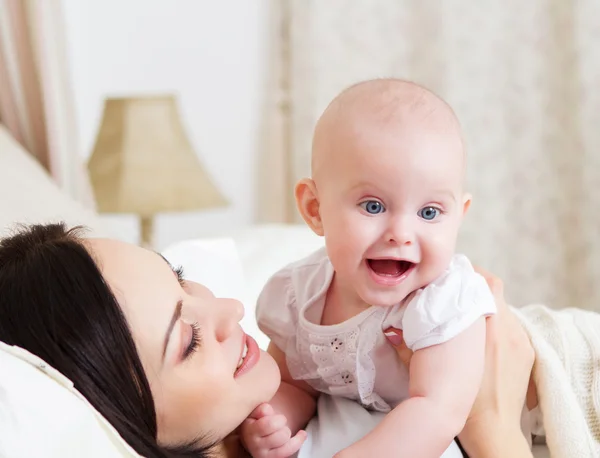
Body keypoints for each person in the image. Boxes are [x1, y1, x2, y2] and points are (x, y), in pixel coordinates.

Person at [0, 222, 535, 457]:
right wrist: (491, 424)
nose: (232, 309)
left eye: (181, 275)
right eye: (189, 341)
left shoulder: (273, 403)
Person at [245, 79, 501, 457]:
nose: (401, 234)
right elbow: (295, 384)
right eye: (373, 206)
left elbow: (438, 410)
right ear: (315, 210)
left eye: (429, 212)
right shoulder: (298, 297)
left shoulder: (444, 301)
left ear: (458, 218)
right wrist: (273, 423)